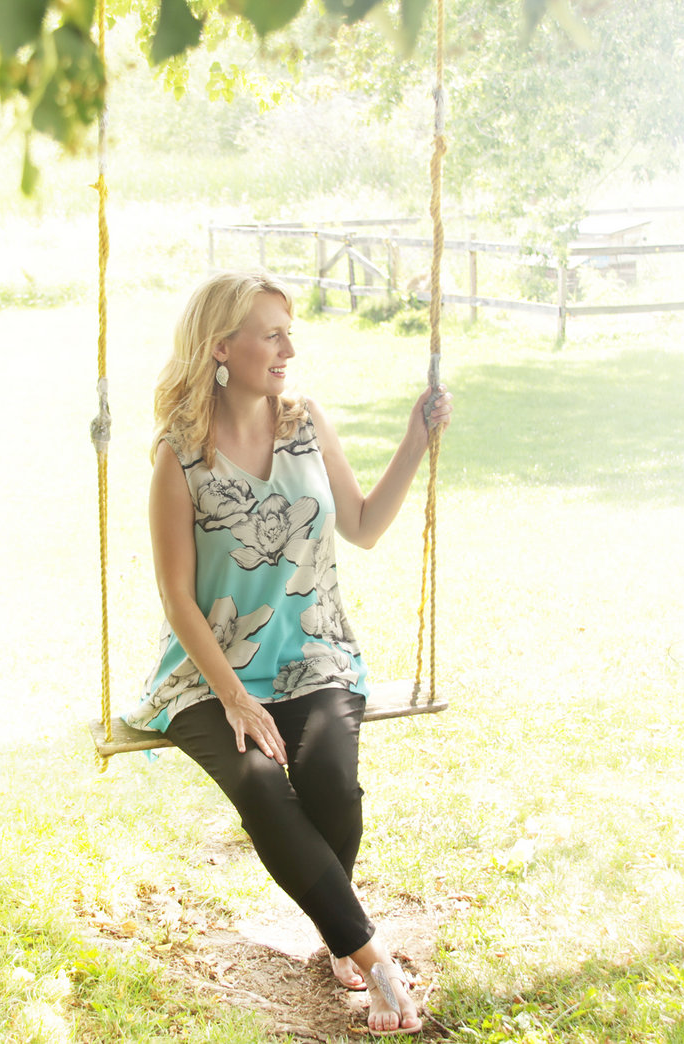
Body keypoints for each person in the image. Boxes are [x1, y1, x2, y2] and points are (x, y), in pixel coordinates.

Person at [122, 270, 453, 1037]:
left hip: (315, 657)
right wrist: (236, 698)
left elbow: (362, 525)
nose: (288, 349)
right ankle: (371, 957)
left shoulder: (305, 424)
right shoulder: (180, 457)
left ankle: (339, 934)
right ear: (220, 348)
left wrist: (416, 440)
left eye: (289, 332)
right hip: (209, 676)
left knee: (333, 784)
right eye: (271, 334)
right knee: (262, 785)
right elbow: (177, 597)